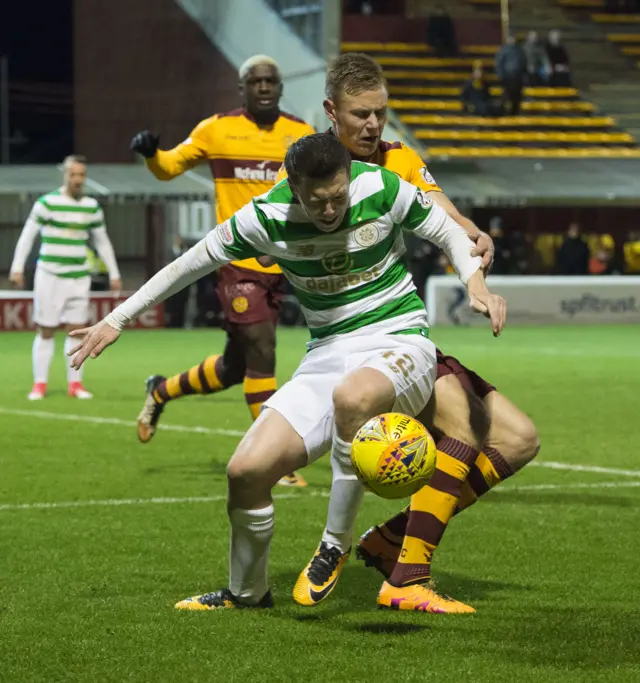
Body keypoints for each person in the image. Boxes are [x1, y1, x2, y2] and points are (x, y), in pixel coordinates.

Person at [67, 133, 506, 612]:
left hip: (399, 339)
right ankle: (247, 592)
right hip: (326, 354)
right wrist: (117, 318)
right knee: (246, 472)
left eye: (338, 196)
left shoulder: (379, 186)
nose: (330, 210)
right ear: (293, 187)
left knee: (354, 397)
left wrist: (475, 283)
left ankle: (333, 544)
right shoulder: (265, 216)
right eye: (317, 202)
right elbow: (188, 264)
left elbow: (445, 230)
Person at [290, 53, 539, 613]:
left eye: (381, 112)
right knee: (464, 427)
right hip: (350, 344)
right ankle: (406, 578)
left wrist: (473, 239)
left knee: (519, 439)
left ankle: (387, 541)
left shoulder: (397, 159)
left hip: (400, 336)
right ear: (332, 112)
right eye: (361, 114)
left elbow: (443, 213)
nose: (374, 125)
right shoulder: (312, 172)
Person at [130, 55, 315, 487]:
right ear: (242, 88)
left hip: (279, 265)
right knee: (263, 353)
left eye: (272, 80)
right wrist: (151, 154)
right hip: (236, 264)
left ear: (281, 87)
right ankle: (275, 461)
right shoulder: (216, 129)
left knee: (235, 369)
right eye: (257, 81)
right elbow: (170, 167)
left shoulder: (301, 136)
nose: (265, 87)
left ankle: (161, 391)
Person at [9, 154, 121, 400]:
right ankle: (39, 384)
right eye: (74, 175)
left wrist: (114, 272)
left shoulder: (91, 206)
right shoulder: (47, 203)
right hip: (50, 275)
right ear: (66, 175)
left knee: (77, 331)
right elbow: (28, 235)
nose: (78, 179)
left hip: (79, 277)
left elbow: (102, 241)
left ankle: (75, 385)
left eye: (82, 175)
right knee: (46, 330)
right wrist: (17, 267)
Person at [496, 35, 527, 116]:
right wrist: (501, 75)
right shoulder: (503, 50)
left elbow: (524, 62)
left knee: (516, 96)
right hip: (507, 76)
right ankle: (501, 111)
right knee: (506, 95)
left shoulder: (519, 50)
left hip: (518, 77)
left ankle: (515, 112)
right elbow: (499, 63)